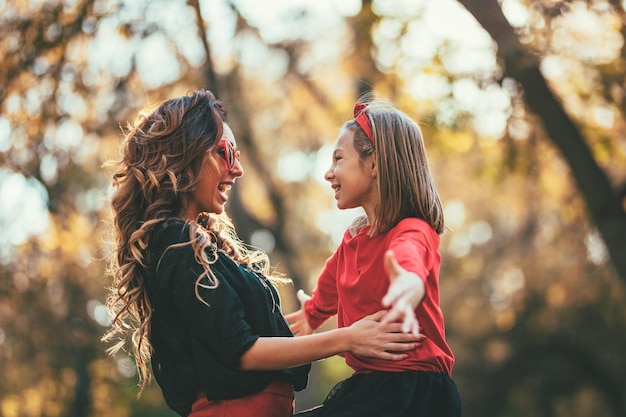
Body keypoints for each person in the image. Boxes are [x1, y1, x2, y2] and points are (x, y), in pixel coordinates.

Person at [101, 90, 423, 417]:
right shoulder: (175, 241)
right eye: (226, 152)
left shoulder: (198, 244)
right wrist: (347, 339)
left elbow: (237, 336)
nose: (237, 169)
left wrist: (321, 324)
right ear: (187, 154)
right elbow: (241, 350)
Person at [285, 99, 462, 416]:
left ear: (375, 164)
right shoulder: (353, 240)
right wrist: (311, 314)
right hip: (372, 387)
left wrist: (409, 284)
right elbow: (331, 283)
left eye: (338, 159)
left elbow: (410, 259)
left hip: (414, 392)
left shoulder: (412, 230)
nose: (328, 173)